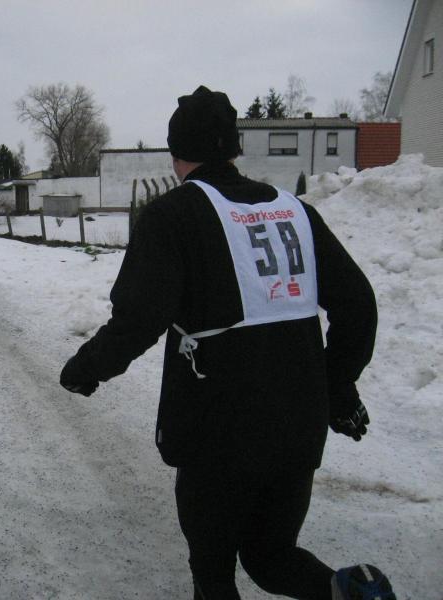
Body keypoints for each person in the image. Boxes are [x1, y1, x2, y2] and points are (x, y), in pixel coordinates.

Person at [60, 86, 395, 600]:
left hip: (218, 430)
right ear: (235, 148)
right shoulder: (295, 212)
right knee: (271, 555)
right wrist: (336, 386)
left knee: (214, 571)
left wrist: (86, 369)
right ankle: (349, 592)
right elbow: (358, 305)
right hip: (298, 427)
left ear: (176, 154)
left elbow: (139, 319)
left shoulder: (172, 216)